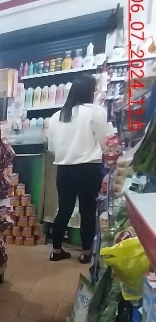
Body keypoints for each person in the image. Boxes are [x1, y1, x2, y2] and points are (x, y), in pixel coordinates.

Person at [46, 74, 113, 264]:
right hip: (88, 169)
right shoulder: (95, 112)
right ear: (89, 91)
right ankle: (86, 252)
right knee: (87, 210)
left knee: (64, 210)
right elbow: (107, 142)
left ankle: (56, 250)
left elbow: (52, 147)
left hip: (64, 169)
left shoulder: (57, 116)